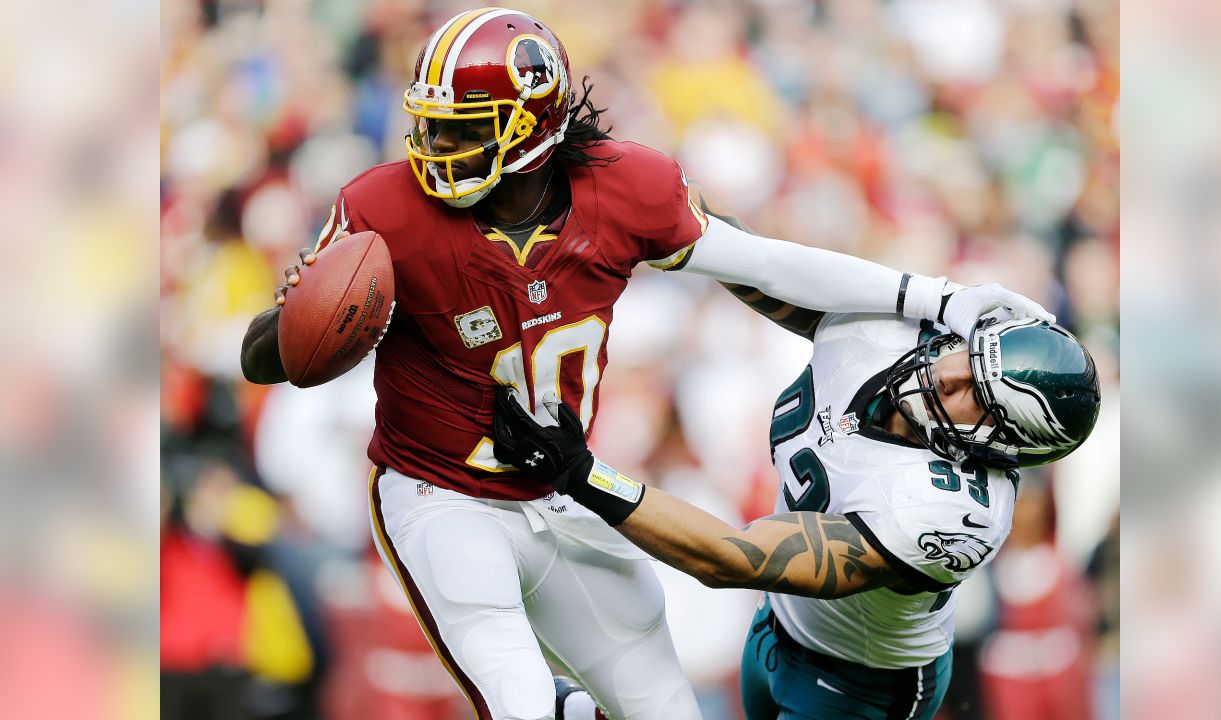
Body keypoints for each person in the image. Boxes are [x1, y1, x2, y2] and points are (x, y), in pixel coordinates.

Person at [239, 8, 1052, 720]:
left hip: (562, 489)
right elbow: (263, 360)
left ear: (527, 128)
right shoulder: (382, 207)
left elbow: (764, 264)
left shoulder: (623, 188)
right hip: (438, 492)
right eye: (432, 122)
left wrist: (936, 299)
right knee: (520, 703)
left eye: (462, 125)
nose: (435, 144)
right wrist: (298, 323)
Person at [492, 314, 1101, 719]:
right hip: (778, 630)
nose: (946, 373)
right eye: (967, 357)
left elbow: (734, 556)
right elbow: (770, 270)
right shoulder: (895, 338)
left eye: (976, 391)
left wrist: (585, 475)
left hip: (860, 683)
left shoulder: (953, 512)